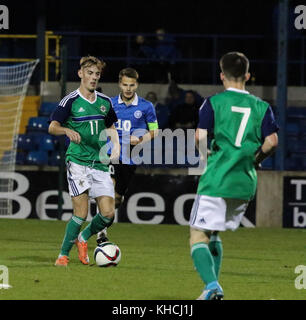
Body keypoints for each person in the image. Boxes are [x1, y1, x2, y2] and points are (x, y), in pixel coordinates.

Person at [189, 52, 279, 300]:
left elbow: (198, 137)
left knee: (198, 235)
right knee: (214, 233)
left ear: (221, 76)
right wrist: (255, 160)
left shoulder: (213, 103)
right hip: (245, 182)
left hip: (218, 178)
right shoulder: (262, 107)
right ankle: (212, 288)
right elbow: (272, 142)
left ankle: (212, 286)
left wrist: (206, 155)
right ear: (247, 76)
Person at [49, 55, 120, 266]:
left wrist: (115, 146)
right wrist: (66, 130)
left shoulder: (105, 102)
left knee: (108, 213)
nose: (94, 77)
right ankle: (63, 254)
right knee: (80, 212)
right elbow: (52, 127)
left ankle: (83, 238)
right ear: (80, 74)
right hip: (78, 161)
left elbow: (110, 127)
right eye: (90, 73)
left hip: (99, 162)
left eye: (97, 74)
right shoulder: (69, 100)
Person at [96, 67, 159, 243]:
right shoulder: (110, 104)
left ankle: (104, 219)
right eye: (125, 85)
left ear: (137, 85)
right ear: (119, 84)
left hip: (130, 158)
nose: (128, 88)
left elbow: (155, 131)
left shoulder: (146, 106)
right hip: (111, 154)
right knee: (107, 189)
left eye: (132, 85)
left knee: (117, 198)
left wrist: (141, 139)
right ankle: (101, 233)